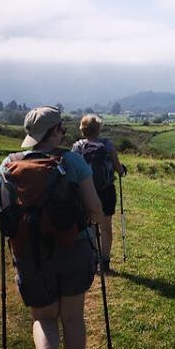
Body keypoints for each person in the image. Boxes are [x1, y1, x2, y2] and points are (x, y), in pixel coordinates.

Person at [0, 106, 105, 349]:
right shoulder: (74, 162)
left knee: (43, 317)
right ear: (54, 132)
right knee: (72, 317)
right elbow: (94, 209)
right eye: (61, 130)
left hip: (31, 255)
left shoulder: (8, 164)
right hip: (73, 250)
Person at [71, 114, 126, 273]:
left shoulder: (77, 147)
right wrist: (122, 170)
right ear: (98, 129)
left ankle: (93, 260)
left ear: (82, 129)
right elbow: (119, 169)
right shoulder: (107, 145)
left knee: (90, 227)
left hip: (85, 191)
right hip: (106, 191)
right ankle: (105, 263)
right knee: (106, 228)